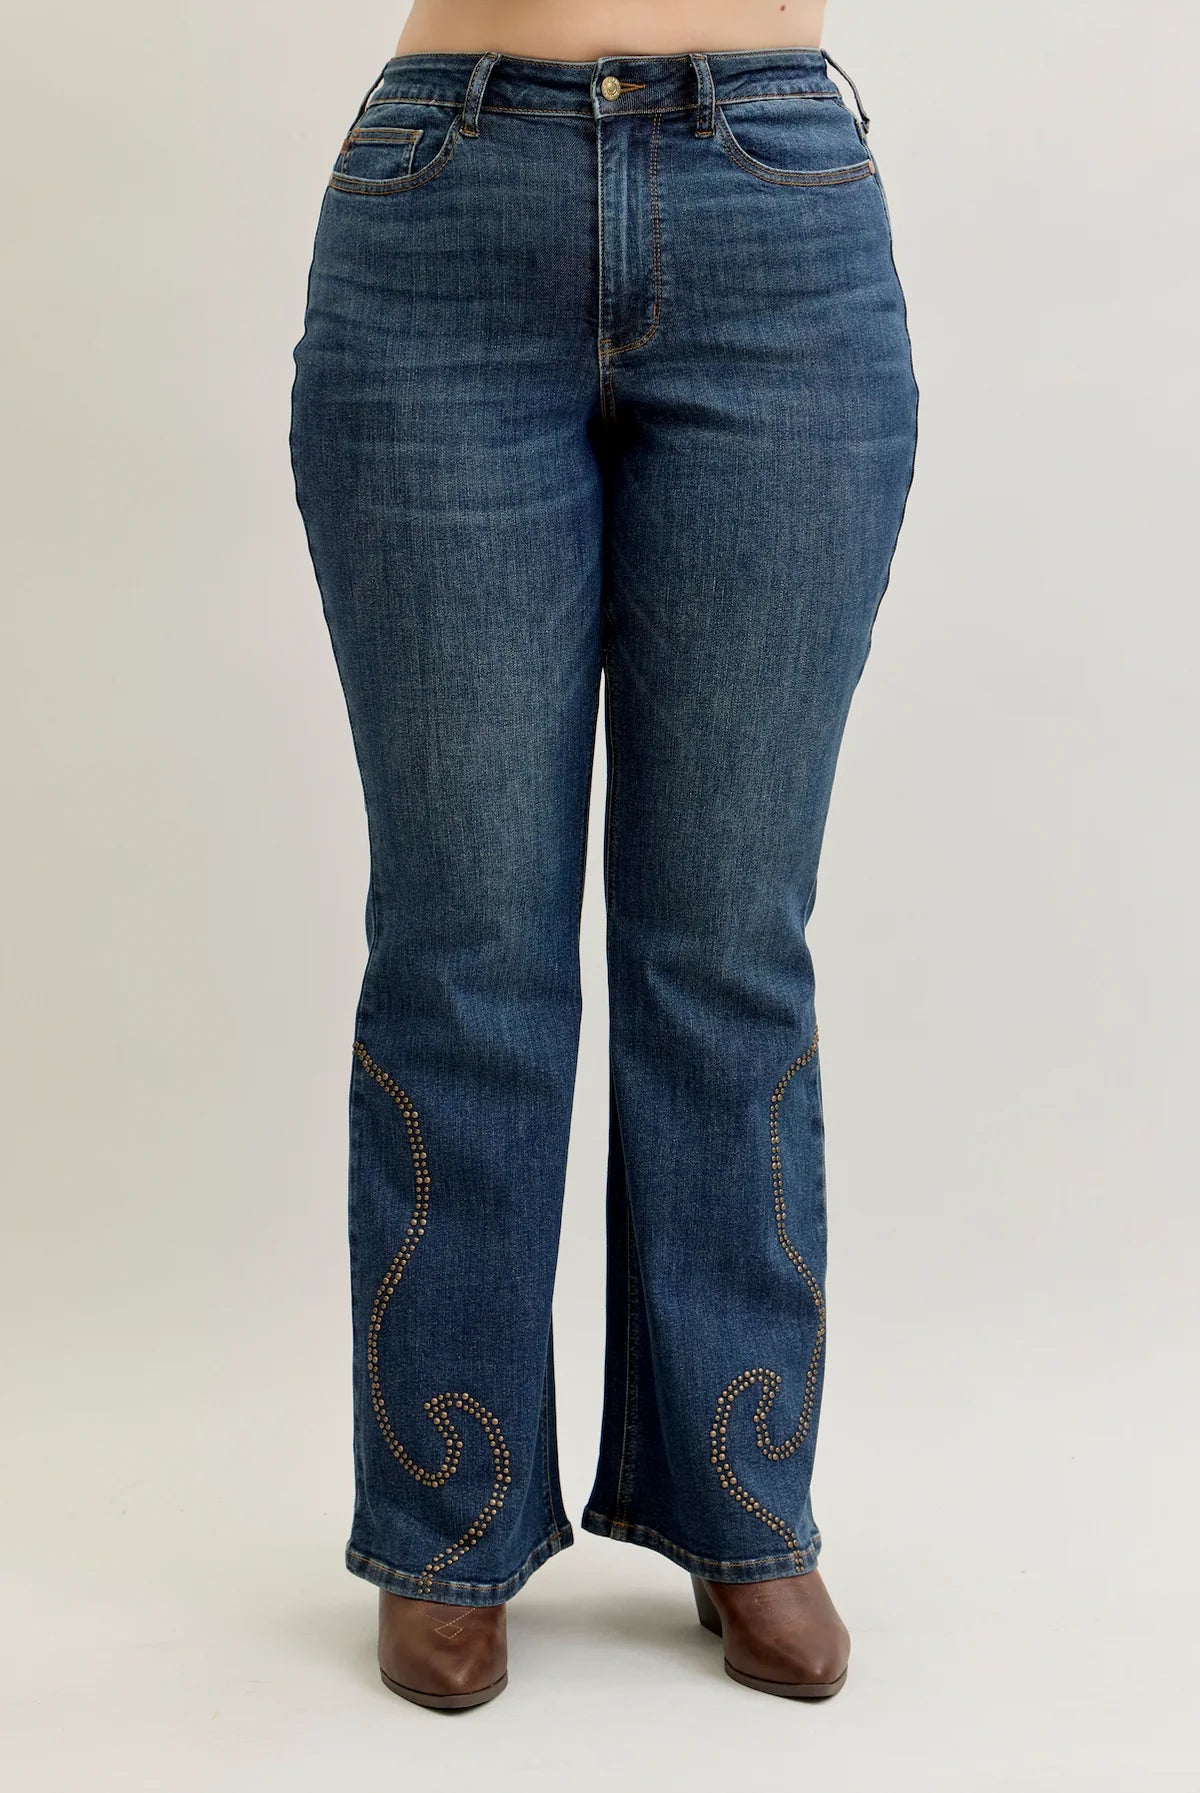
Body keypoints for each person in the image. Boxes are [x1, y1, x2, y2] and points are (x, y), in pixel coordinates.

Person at [289, 0, 918, 1709]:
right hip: (445, 201)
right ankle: (450, 1515)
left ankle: (742, 1498)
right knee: (465, 941)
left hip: (774, 208)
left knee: (725, 936)